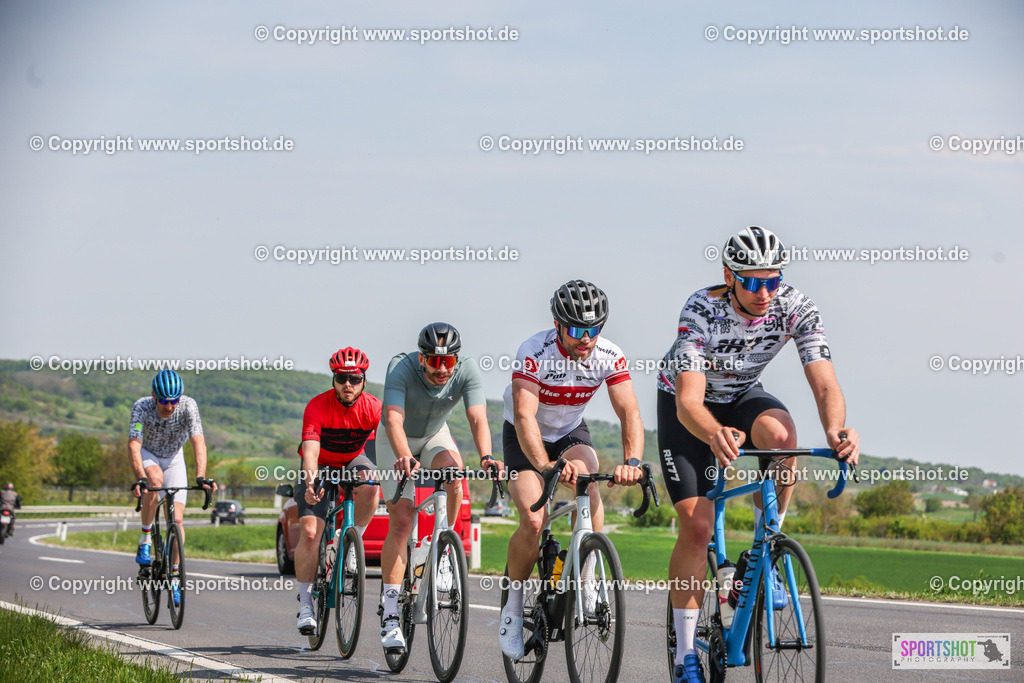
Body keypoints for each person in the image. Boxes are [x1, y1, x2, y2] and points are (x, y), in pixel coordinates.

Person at [658, 226, 860, 683]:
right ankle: (685, 653)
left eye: (773, 281)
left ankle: (762, 552)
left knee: (783, 438)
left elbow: (825, 383)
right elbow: (689, 402)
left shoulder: (795, 306)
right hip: (688, 405)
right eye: (752, 282)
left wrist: (835, 430)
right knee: (697, 526)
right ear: (729, 276)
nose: (765, 293)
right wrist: (713, 432)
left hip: (743, 395)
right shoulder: (701, 308)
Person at [499, 280, 645, 660]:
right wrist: (545, 466)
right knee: (534, 519)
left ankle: (588, 576)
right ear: (557, 324)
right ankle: (512, 609)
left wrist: (631, 461)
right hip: (524, 435)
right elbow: (525, 415)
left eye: (594, 329)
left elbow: (629, 410)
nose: (586, 339)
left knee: (589, 481)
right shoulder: (534, 351)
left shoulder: (609, 354)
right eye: (577, 329)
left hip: (569, 432)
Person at [376, 322, 503, 653]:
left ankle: (443, 550)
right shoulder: (400, 367)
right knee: (402, 520)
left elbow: (477, 418)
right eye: (435, 361)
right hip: (395, 439)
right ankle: (390, 613)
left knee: (455, 475)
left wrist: (487, 456)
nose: (443, 369)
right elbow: (393, 419)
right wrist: (404, 455)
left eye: (449, 361)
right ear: (422, 358)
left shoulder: (467, 370)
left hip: (434, 435)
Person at [294, 347, 382, 635]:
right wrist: (311, 483)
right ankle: (305, 604)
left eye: (354, 379)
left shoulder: (374, 407)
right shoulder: (317, 406)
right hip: (320, 463)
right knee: (310, 532)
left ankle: (352, 542)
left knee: (371, 484)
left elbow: (389, 444)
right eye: (341, 378)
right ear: (333, 379)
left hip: (353, 460)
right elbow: (310, 452)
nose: (348, 384)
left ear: (364, 381)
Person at [128, 370, 217, 607]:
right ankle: (145, 539)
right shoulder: (141, 407)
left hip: (174, 458)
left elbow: (198, 442)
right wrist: (140, 478)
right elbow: (134, 445)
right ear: (154, 396)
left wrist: (201, 476)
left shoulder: (188, 406)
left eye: (174, 401)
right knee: (154, 480)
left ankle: (175, 576)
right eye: (164, 401)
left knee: (177, 520)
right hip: (149, 453)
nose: (169, 406)